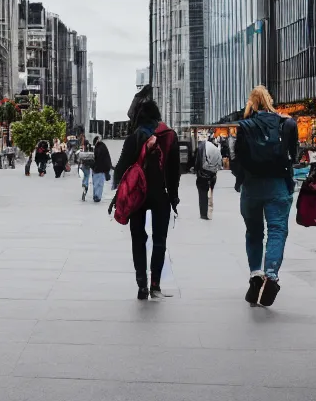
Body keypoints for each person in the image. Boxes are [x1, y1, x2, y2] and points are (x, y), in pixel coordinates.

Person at [234, 86, 298, 306]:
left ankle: (255, 274)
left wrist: (240, 179)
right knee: (277, 230)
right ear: (269, 101)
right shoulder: (285, 124)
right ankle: (271, 274)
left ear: (252, 103)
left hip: (251, 187)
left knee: (253, 231)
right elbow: (294, 156)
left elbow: (238, 160)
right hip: (278, 185)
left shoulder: (245, 126)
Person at [113, 94, 180, 300]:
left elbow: (120, 170)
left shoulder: (134, 138)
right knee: (159, 240)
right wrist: (174, 198)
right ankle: (155, 285)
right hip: (161, 194)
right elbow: (175, 171)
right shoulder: (169, 135)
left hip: (137, 196)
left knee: (138, 238)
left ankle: (141, 284)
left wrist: (119, 195)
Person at [194, 136, 223, 219]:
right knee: (210, 192)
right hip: (213, 174)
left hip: (203, 175)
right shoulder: (216, 150)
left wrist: (196, 170)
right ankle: (209, 211)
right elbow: (220, 165)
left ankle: (204, 213)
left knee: (202, 193)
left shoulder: (202, 147)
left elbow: (198, 162)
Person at [91, 136, 113, 203]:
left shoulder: (99, 148)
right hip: (100, 169)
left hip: (98, 168)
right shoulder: (102, 147)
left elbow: (97, 158)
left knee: (96, 183)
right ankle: (97, 196)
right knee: (99, 184)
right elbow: (106, 160)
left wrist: (94, 166)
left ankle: (96, 196)